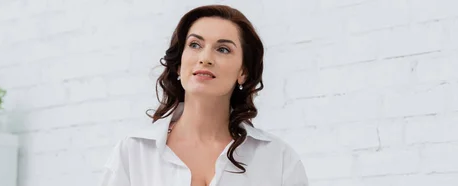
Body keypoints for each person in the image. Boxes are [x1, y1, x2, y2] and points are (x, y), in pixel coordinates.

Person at [99, 4, 308, 186]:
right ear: (180, 64)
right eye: (195, 45)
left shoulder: (278, 159)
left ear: (243, 72)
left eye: (223, 49)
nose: (205, 58)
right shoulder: (134, 153)